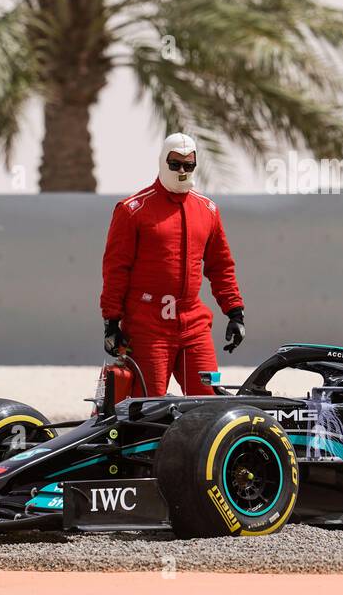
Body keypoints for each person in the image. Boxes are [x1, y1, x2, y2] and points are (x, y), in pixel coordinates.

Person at [100, 133, 245, 397]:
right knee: (147, 407)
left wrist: (235, 312)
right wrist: (111, 321)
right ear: (162, 162)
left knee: (207, 401)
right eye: (175, 163)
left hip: (193, 322)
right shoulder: (132, 209)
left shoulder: (208, 210)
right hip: (147, 323)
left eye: (188, 165)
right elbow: (115, 269)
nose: (181, 170)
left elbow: (220, 265)